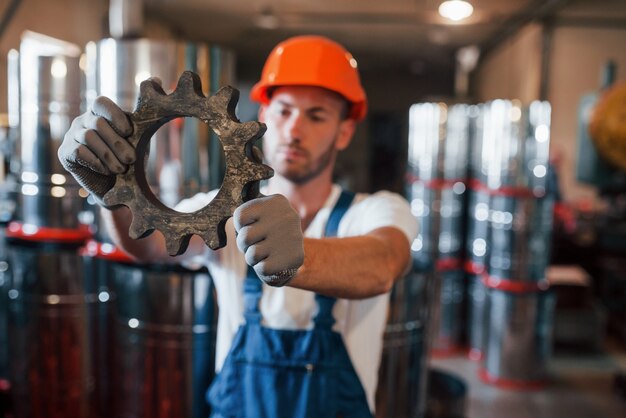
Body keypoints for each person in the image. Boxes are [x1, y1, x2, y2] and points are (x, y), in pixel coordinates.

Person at [58, 35, 418, 417]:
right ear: (263, 116)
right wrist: (113, 194)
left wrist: (301, 258)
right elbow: (147, 246)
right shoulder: (219, 209)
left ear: (344, 132)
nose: (295, 130)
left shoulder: (376, 210)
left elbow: (382, 263)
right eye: (284, 110)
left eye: (316, 115)